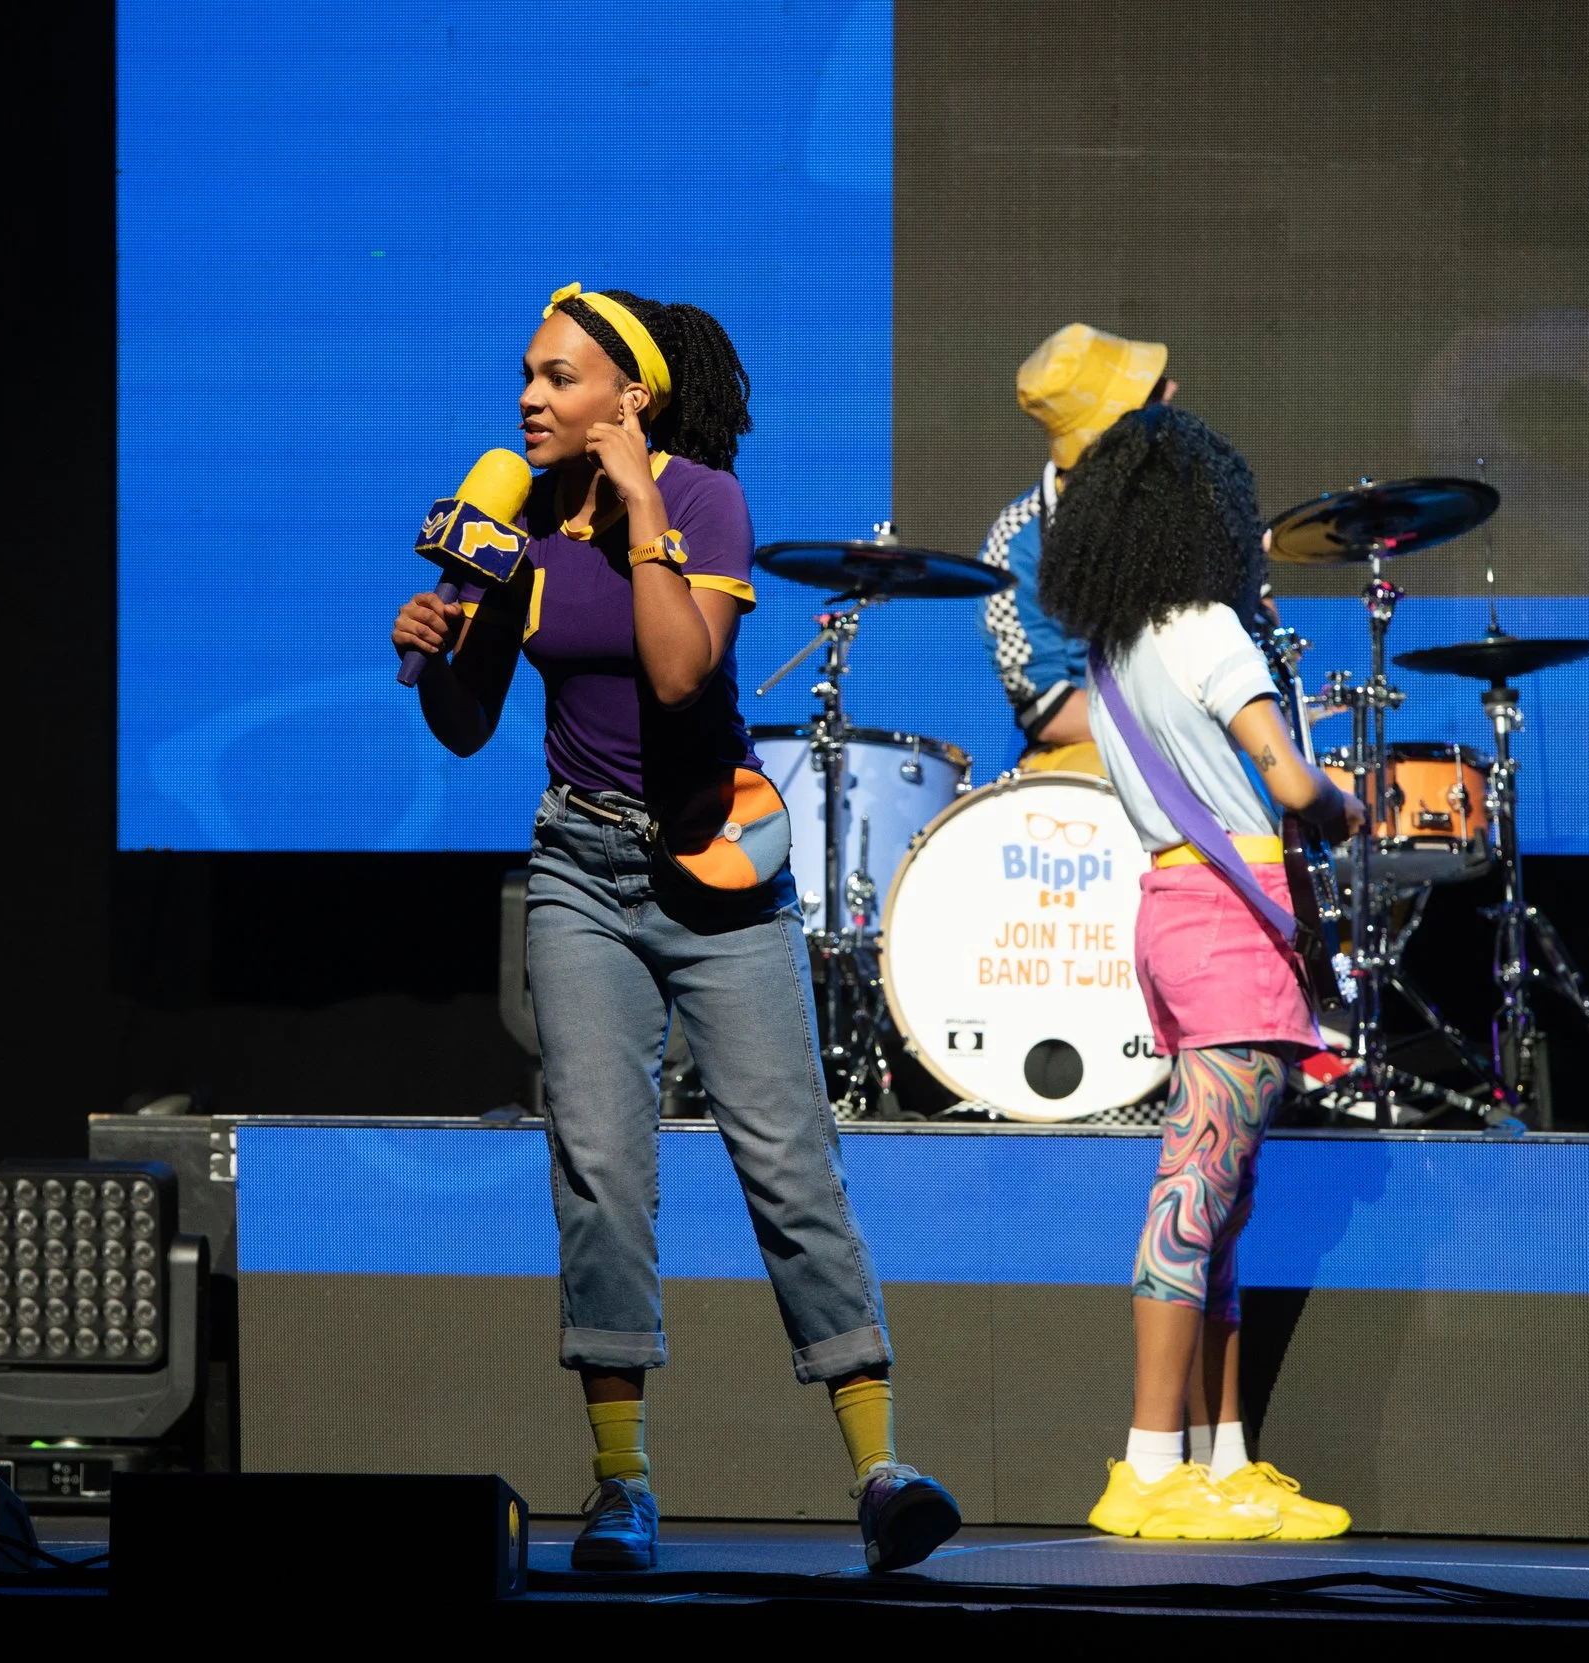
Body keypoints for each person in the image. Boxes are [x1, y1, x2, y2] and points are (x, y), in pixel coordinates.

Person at [389, 283, 961, 1574]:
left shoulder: (702, 499)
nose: (531, 397)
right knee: (598, 1166)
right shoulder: (510, 522)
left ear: (629, 397)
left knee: (788, 1159)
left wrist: (640, 503)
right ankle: (621, 1484)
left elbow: (678, 671)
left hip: (713, 874)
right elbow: (466, 724)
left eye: (560, 376)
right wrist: (437, 640)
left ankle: (880, 1467)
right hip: (578, 869)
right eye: (525, 376)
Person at [1036, 402, 1365, 1542]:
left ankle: (1222, 1462)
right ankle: (1147, 1466)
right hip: (1230, 925)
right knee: (1193, 1193)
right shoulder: (1210, 626)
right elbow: (1287, 784)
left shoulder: (1115, 641)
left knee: (1220, 1204)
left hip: (1176, 912)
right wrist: (1345, 800)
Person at [977, 324, 1176, 776]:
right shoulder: (1018, 544)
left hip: (1201, 745)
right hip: (1083, 765)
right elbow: (1048, 709)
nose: (1173, 390)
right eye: (1154, 392)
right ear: (1110, 433)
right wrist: (1179, 721)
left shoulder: (1193, 506)